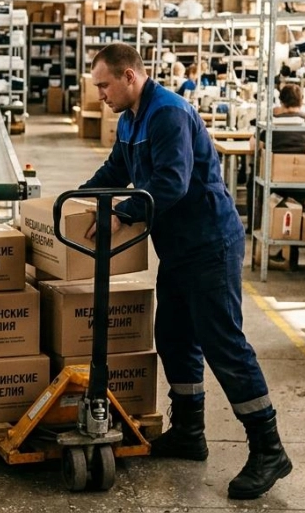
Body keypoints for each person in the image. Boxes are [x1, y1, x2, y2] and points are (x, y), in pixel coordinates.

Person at [79, 43, 292, 500]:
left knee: (224, 344)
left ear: (130, 76)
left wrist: (121, 214)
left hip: (209, 243)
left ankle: (268, 448)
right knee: (175, 336)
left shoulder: (167, 114)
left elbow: (171, 183)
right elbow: (118, 167)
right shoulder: (131, 119)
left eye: (103, 85)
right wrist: (78, 198)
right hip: (177, 247)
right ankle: (189, 433)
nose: (100, 95)